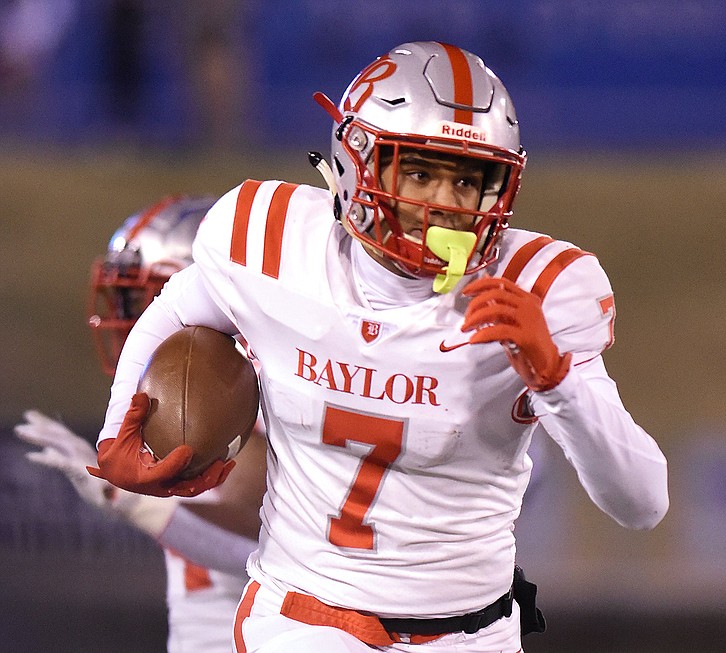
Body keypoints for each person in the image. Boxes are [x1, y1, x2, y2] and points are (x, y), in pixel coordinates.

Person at [90, 41, 669, 653]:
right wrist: (116, 427)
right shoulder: (275, 245)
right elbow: (175, 308)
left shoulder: (536, 291)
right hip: (302, 622)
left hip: (469, 637)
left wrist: (560, 382)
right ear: (354, 162)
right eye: (419, 171)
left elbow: (642, 503)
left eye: (467, 180)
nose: (443, 205)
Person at [14, 195, 265, 653]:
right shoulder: (185, 399)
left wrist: (135, 505)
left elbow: (255, 548)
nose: (131, 323)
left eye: (148, 300)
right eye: (126, 300)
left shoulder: (245, 394)